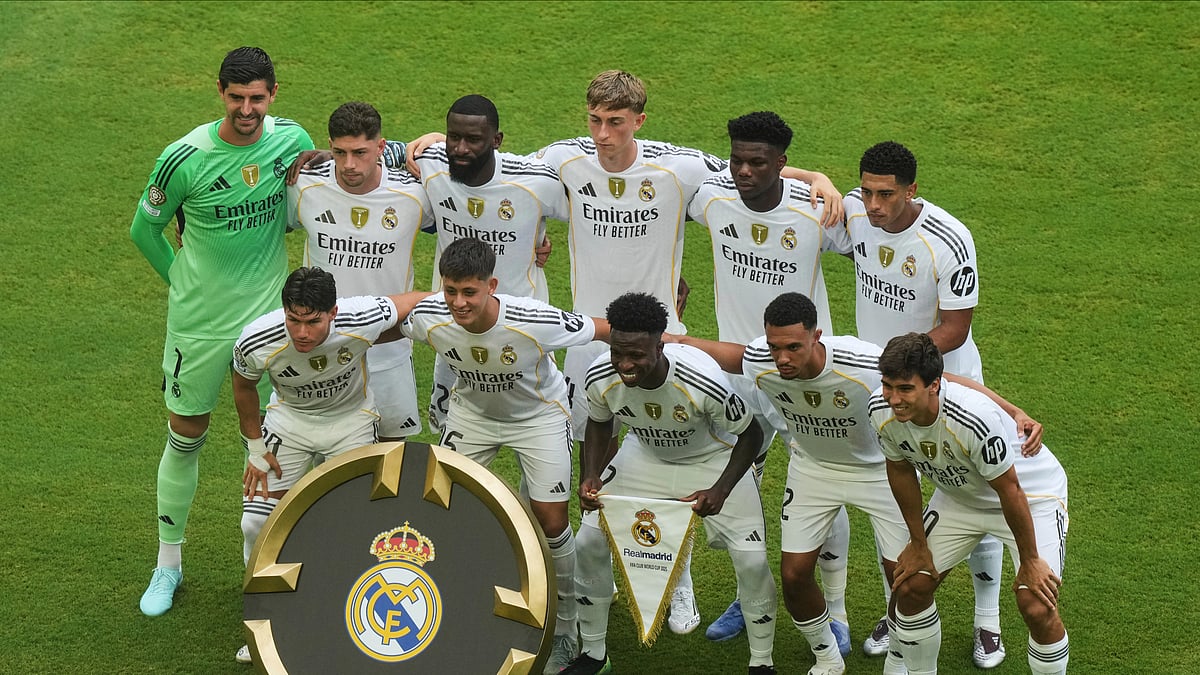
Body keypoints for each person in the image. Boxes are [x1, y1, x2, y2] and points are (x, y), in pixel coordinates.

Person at [535, 70, 843, 634]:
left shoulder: (675, 166)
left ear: (639, 122)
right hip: (586, 342)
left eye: (616, 122)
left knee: (673, 454)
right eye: (595, 120)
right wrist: (422, 147)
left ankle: (680, 587)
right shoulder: (564, 159)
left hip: (662, 341)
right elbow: (501, 176)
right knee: (597, 462)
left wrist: (814, 175)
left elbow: (750, 170)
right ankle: (590, 606)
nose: (603, 134)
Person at [676, 292, 1043, 675]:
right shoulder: (760, 361)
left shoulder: (859, 360)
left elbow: (946, 380)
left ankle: (900, 657)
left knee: (902, 577)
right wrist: (644, 338)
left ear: (817, 336)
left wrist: (1014, 411)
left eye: (793, 347)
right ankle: (827, 657)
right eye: (774, 347)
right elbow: (693, 346)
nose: (782, 358)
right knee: (793, 574)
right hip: (813, 468)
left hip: (878, 470)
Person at [129, 46, 314, 617]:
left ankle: (275, 566)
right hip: (200, 325)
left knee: (270, 439)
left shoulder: (293, 142)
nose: (247, 109)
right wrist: (182, 282)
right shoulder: (184, 156)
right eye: (236, 98)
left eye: (256, 97)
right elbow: (145, 230)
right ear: (220, 93)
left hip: (269, 322)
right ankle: (168, 566)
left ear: (273, 95)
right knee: (186, 433)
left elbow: (331, 190)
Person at [399, 237, 608, 674]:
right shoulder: (430, 316)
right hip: (472, 416)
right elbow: (389, 327)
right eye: (450, 290)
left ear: (491, 285)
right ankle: (450, 611)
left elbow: (603, 328)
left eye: (469, 292)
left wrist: (675, 342)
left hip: (538, 418)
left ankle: (566, 630)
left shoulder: (534, 320)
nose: (458, 302)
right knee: (441, 509)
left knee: (551, 523)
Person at [687, 110, 855, 644]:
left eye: (758, 162)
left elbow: (873, 251)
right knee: (736, 499)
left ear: (782, 163)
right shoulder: (710, 196)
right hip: (737, 376)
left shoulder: (816, 212)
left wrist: (818, 181)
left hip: (802, 376)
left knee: (823, 482)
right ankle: (749, 598)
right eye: (737, 159)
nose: (743, 171)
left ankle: (837, 610)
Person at [843, 141, 1010, 665]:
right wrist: (818, 180)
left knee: (977, 495)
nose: (873, 205)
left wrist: (903, 366)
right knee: (890, 496)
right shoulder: (854, 210)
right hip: (887, 385)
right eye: (867, 191)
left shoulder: (950, 239)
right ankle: (898, 613)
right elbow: (801, 183)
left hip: (947, 385)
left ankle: (988, 619)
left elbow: (956, 328)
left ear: (912, 190)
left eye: (886, 195)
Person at [565, 292, 777, 675]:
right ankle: (593, 654)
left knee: (752, 560)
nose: (625, 365)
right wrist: (591, 474)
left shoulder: (702, 379)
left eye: (637, 356)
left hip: (712, 460)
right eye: (618, 353)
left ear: (660, 345)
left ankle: (761, 663)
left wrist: (721, 490)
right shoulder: (600, 373)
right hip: (644, 456)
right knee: (588, 541)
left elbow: (751, 435)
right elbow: (599, 420)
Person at [231, 266, 430, 664]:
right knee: (255, 522)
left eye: (313, 322)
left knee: (355, 525)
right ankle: (266, 622)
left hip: (352, 424)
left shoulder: (361, 315)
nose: (302, 333)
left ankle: (339, 616)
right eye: (294, 320)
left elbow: (420, 300)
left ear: (334, 312)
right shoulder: (257, 338)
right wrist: (255, 447)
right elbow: (242, 383)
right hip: (289, 423)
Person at [870, 332, 1069, 675]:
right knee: (911, 585)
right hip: (961, 496)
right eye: (888, 386)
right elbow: (900, 470)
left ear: (933, 386)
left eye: (905, 389)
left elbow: (1010, 491)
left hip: (1031, 496)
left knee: (1036, 604)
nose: (893, 398)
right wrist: (918, 544)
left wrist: (1032, 560)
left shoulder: (971, 420)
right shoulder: (880, 410)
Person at [411, 94, 567, 432]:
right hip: (455, 323)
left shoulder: (537, 181)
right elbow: (373, 152)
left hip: (523, 330)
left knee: (539, 426)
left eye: (473, 140)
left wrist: (538, 239)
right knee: (451, 438)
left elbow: (590, 218)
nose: (460, 148)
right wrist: (322, 158)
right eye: (454, 137)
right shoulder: (432, 163)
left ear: (496, 141)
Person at [289, 101, 433, 441]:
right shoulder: (302, 184)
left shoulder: (415, 193)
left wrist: (537, 242)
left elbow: (472, 200)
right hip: (322, 348)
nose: (349, 165)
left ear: (381, 147)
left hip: (389, 349)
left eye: (360, 153)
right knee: (322, 456)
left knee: (391, 460)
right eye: (339, 153)